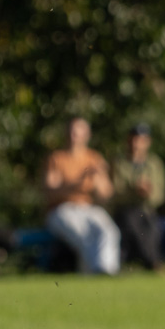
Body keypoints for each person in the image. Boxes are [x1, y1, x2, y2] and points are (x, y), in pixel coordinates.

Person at [44, 116, 119, 275]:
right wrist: (80, 181)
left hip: (87, 208)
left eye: (78, 132)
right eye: (72, 132)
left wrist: (98, 178)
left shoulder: (94, 158)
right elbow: (50, 191)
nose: (74, 136)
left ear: (87, 135)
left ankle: (106, 271)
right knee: (83, 236)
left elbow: (106, 194)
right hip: (61, 210)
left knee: (109, 231)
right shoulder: (56, 158)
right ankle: (92, 274)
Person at [111, 124, 165, 273]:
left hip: (147, 211)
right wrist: (134, 190)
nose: (136, 144)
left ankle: (151, 261)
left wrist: (148, 193)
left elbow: (159, 195)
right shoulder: (118, 163)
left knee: (151, 226)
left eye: (141, 140)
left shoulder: (154, 164)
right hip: (124, 212)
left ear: (148, 142)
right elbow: (114, 192)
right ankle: (153, 262)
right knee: (133, 221)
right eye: (134, 139)